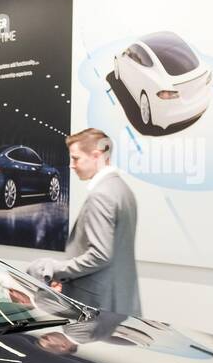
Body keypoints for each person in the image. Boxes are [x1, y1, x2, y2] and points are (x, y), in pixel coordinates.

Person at [28, 128, 141, 316]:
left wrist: (57, 270)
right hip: (118, 299)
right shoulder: (122, 189)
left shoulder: (102, 195)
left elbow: (100, 255)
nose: (71, 165)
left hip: (95, 303)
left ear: (96, 156)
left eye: (76, 158)